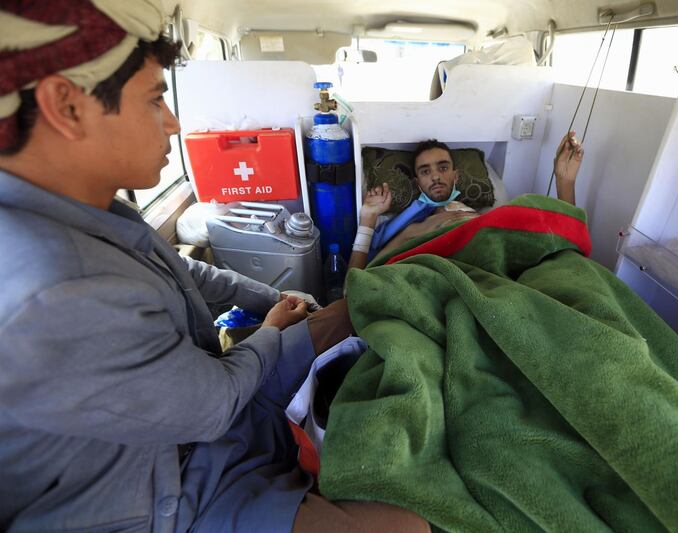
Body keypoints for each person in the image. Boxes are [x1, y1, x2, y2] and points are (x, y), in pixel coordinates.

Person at [0, 2, 427, 532]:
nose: (174, 122)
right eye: (156, 99)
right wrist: (272, 333)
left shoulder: (93, 209)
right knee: (408, 527)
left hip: (204, 415)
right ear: (67, 106)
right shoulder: (55, 287)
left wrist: (276, 303)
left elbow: (190, 275)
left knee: (353, 307)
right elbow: (215, 403)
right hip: (171, 492)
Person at [348, 136, 584, 269]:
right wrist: (368, 217)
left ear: (456, 176)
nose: (436, 176)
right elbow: (358, 283)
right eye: (425, 171)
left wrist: (566, 182)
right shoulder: (411, 230)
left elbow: (564, 240)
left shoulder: (488, 219)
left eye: (443, 168)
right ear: (417, 182)